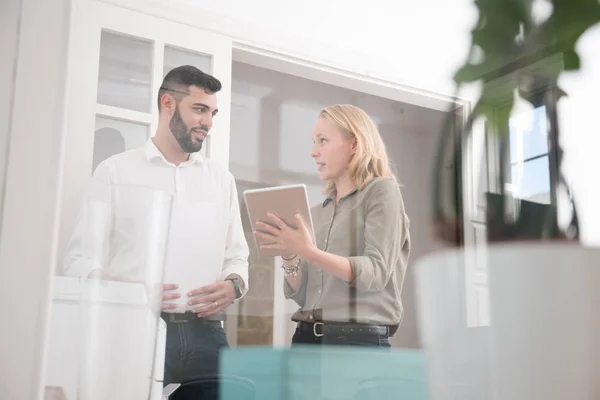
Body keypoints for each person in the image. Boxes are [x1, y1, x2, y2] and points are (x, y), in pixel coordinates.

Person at [63, 65, 249, 399]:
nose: (208, 122)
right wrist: (128, 290)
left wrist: (234, 284)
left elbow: (237, 256)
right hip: (134, 326)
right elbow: (78, 259)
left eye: (213, 113)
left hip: (206, 332)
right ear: (168, 103)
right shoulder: (115, 172)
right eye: (199, 109)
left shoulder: (222, 181)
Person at [254, 104, 410, 348]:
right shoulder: (318, 212)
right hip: (306, 337)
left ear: (354, 145)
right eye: (314, 141)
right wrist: (290, 254)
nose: (313, 152)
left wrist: (308, 251)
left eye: (322, 140)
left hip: (356, 341)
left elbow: (377, 272)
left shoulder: (382, 191)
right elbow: (303, 295)